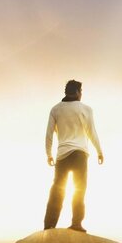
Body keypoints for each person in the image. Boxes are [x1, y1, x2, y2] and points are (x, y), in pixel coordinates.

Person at [44, 79, 104, 232]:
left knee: (57, 190)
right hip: (80, 154)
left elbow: (49, 134)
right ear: (78, 92)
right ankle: (76, 223)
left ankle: (49, 226)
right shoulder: (86, 109)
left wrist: (48, 154)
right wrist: (99, 151)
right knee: (80, 188)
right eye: (81, 91)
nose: (81, 94)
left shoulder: (55, 109)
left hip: (62, 155)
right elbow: (92, 132)